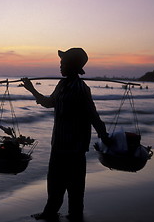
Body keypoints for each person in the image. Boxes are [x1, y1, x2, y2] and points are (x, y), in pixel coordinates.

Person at [22, 48, 111, 221]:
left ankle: (75, 214)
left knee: (75, 185)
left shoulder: (81, 89)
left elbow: (92, 114)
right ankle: (50, 211)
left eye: (63, 63)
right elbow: (49, 103)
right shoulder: (62, 85)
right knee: (54, 180)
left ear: (73, 66)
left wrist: (103, 134)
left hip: (75, 146)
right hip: (59, 143)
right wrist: (31, 89)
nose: (60, 65)